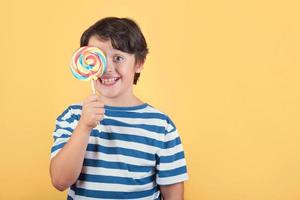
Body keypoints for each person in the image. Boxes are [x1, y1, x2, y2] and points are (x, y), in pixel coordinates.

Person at [50, 17, 188, 200]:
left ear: (139, 63)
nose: (107, 67)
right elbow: (60, 181)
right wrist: (84, 127)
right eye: (97, 56)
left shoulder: (161, 126)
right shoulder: (73, 117)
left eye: (118, 58)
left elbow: (173, 194)